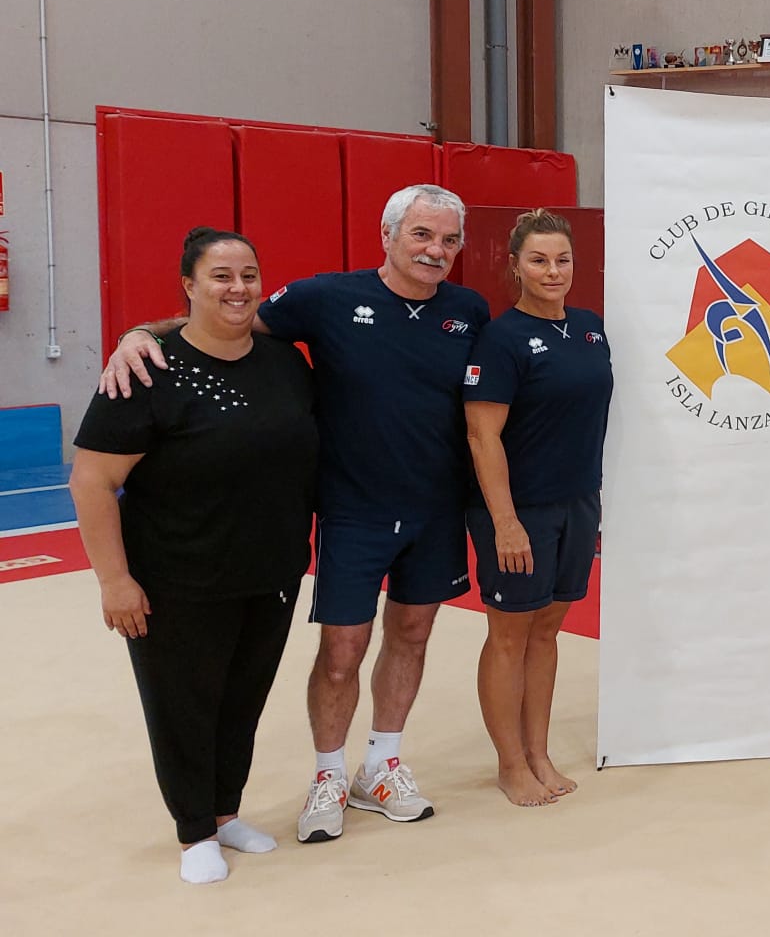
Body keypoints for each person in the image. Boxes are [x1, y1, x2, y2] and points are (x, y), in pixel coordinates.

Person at [101, 184, 492, 843]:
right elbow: (223, 321)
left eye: (449, 239)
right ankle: (330, 774)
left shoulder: (469, 310)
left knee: (414, 635)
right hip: (352, 510)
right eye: (423, 235)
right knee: (342, 652)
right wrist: (139, 334)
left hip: (433, 509)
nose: (437, 250)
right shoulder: (325, 298)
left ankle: (382, 763)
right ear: (388, 235)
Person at [71, 228, 318, 884]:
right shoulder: (146, 370)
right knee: (184, 706)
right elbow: (92, 481)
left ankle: (225, 813)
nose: (237, 289)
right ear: (188, 285)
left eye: (248, 275)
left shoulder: (284, 362)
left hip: (269, 573)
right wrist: (114, 580)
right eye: (220, 276)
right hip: (177, 577)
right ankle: (192, 833)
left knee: (242, 702)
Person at [464, 210, 613, 806]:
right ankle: (509, 763)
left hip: (577, 502)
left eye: (562, 259)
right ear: (515, 266)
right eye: (539, 260)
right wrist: (505, 522)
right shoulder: (501, 339)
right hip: (519, 510)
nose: (553, 271)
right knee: (509, 635)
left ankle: (538, 752)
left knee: (548, 629)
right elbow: (482, 435)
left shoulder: (589, 328)